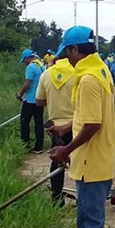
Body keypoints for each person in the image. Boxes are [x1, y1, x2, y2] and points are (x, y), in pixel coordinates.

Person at [49, 26, 115, 228]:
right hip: (100, 157)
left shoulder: (88, 79)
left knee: (90, 222)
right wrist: (66, 128)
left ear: (75, 49)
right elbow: (89, 117)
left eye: (67, 52)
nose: (67, 58)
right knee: (87, 218)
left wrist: (65, 150)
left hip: (91, 161)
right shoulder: (101, 70)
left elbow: (92, 125)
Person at [36, 53, 75, 204]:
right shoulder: (79, 73)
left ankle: (57, 199)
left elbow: (39, 102)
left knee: (57, 162)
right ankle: (85, 197)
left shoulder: (46, 74)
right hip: (77, 124)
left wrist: (53, 99)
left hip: (56, 128)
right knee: (82, 161)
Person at [17, 48, 45, 153]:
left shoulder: (30, 67)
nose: (24, 62)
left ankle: (25, 145)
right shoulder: (41, 66)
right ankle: (39, 147)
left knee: (25, 122)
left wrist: (20, 94)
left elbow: (27, 83)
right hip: (39, 99)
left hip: (30, 100)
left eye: (24, 60)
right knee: (39, 123)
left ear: (28, 58)